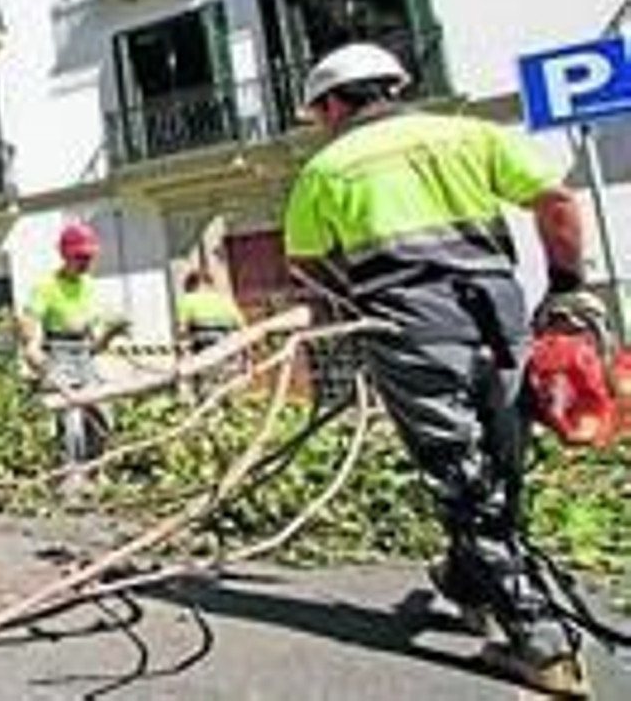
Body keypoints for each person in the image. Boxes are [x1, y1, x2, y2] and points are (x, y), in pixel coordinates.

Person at [282, 42, 599, 695]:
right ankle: (465, 576)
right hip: (501, 318)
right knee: (501, 466)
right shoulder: (469, 134)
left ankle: (539, 645)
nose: (321, 122)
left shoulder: (327, 168)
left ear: (336, 102)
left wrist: (358, 303)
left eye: (320, 111)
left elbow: (305, 264)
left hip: (411, 329)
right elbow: (557, 202)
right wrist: (566, 285)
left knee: (460, 474)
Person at [18, 222, 129, 468]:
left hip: (84, 360)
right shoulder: (46, 287)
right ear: (66, 255)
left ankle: (94, 472)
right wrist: (37, 359)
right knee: (71, 425)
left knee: (102, 416)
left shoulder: (89, 285)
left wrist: (112, 332)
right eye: (81, 256)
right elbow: (29, 333)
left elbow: (95, 346)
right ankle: (69, 477)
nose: (87, 262)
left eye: (89, 256)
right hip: (57, 358)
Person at [175, 269, 247, 354]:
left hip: (203, 350)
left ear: (191, 286)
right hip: (228, 348)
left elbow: (182, 330)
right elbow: (243, 328)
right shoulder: (225, 299)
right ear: (210, 285)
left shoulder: (186, 299)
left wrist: (182, 353)